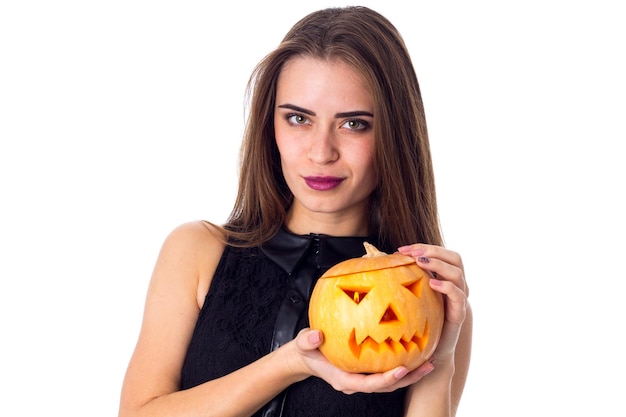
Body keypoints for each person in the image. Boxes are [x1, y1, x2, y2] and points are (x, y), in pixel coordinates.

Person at [118, 5, 472, 417]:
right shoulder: (197, 251)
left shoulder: (430, 296)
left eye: (354, 123)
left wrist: (439, 360)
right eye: (298, 118)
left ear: (394, 133)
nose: (321, 152)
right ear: (271, 126)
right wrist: (288, 364)